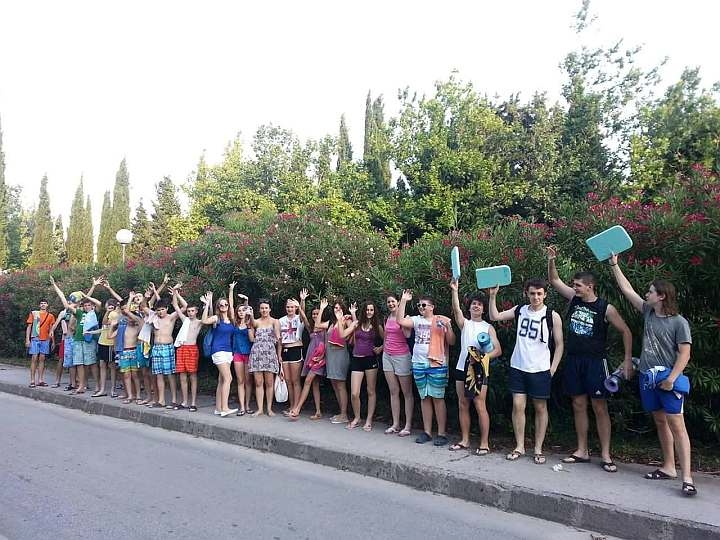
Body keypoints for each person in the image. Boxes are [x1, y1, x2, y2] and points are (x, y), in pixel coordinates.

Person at [609, 254, 696, 496]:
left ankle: (687, 478)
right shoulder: (648, 312)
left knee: (677, 425)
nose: (646, 294)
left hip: (668, 379)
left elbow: (685, 354)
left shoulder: (679, 323)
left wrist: (671, 379)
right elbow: (627, 290)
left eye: (650, 292)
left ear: (661, 296)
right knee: (660, 421)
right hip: (648, 378)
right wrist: (614, 265)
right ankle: (669, 467)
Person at [547, 246, 632, 473]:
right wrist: (551, 259)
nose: (574, 288)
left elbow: (626, 331)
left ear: (589, 286)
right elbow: (554, 280)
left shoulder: (605, 308)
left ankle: (605, 454)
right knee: (578, 404)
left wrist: (627, 360)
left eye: (577, 285)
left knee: (599, 406)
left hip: (596, 362)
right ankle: (582, 450)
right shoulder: (574, 299)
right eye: (574, 285)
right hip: (574, 360)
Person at [488, 279, 564, 465]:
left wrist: (553, 368)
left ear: (545, 294)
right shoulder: (520, 310)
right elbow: (495, 316)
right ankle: (520, 446)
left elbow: (560, 344)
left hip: (540, 369)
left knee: (540, 407)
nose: (536, 297)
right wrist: (492, 296)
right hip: (518, 366)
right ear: (527, 294)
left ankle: (538, 448)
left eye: (539, 293)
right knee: (518, 405)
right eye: (532, 293)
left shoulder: (552, 315)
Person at [396, 290, 456, 446]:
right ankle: (427, 432)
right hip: (418, 363)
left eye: (424, 305)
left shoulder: (441, 320)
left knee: (438, 398)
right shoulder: (416, 320)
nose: (421, 307)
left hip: (436, 363)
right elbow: (400, 321)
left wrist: (448, 327)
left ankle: (441, 433)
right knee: (424, 397)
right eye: (419, 305)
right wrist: (403, 301)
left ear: (432, 307)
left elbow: (451, 342)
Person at [449, 280, 502, 454]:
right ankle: (464, 440)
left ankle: (484, 443)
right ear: (470, 307)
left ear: (484, 309)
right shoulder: (465, 324)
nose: (476, 306)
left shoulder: (488, 328)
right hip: (461, 368)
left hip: (479, 370)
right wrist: (455, 291)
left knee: (480, 405)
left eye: (479, 304)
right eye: (473, 304)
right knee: (463, 404)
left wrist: (482, 358)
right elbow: (456, 310)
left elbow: (498, 350)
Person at [50, 276, 102, 394]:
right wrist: (55, 286)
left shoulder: (95, 313)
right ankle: (81, 386)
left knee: (92, 363)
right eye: (85, 305)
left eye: (89, 305)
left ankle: (98, 385)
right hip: (78, 340)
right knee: (79, 363)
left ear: (92, 306)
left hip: (89, 341)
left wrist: (86, 295)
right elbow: (65, 303)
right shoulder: (79, 313)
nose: (87, 307)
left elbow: (99, 303)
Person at [345, 300, 384, 431]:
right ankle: (357, 417)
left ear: (374, 311)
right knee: (354, 393)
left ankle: (369, 420)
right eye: (367, 309)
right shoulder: (357, 323)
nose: (369, 312)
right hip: (357, 359)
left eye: (371, 310)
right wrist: (351, 314)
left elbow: (387, 339)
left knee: (370, 391)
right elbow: (347, 333)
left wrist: (380, 348)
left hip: (370, 359)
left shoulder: (377, 326)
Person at [289, 293, 327, 420]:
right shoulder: (311, 327)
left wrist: (322, 357)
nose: (315, 316)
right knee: (314, 384)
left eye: (317, 313)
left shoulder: (324, 327)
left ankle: (297, 408)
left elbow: (326, 344)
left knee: (307, 381)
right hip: (311, 358)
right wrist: (301, 303)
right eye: (314, 314)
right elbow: (304, 317)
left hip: (319, 359)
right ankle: (318, 411)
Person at [201, 287, 238, 417]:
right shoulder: (216, 318)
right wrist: (207, 304)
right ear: (218, 307)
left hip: (228, 352)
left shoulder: (231, 319)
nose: (224, 306)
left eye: (225, 304)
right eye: (221, 305)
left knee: (222, 380)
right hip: (218, 351)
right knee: (228, 378)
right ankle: (225, 408)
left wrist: (231, 290)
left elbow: (232, 304)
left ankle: (218, 408)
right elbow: (204, 321)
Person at [314, 299, 351, 424]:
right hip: (330, 355)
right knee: (335, 385)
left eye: (339, 308)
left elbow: (349, 333)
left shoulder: (346, 320)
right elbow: (317, 325)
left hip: (340, 355)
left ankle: (344, 415)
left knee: (340, 384)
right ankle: (341, 412)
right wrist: (322, 308)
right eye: (335, 308)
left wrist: (344, 318)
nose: (337, 310)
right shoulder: (331, 322)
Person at [382, 294, 414, 437]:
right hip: (387, 356)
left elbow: (407, 335)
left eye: (393, 301)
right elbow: (386, 337)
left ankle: (407, 425)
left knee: (407, 393)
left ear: (398, 302)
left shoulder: (406, 318)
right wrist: (383, 350)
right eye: (388, 302)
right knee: (393, 391)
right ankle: (395, 424)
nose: (390, 304)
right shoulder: (387, 318)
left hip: (402, 356)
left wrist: (401, 322)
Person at [143, 289, 181, 409]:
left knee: (170, 374)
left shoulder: (171, 317)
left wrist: (175, 295)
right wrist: (146, 297)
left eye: (163, 309)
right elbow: (143, 307)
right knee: (158, 374)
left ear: (167, 308)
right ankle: (161, 400)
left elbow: (183, 308)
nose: (160, 312)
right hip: (156, 348)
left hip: (167, 347)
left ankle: (174, 400)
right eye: (158, 310)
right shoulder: (153, 317)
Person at [248, 297, 282, 417]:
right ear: (259, 310)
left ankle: (269, 408)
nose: (264, 310)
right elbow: (252, 324)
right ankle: (260, 409)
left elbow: (278, 339)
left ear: (270, 309)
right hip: (257, 354)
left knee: (269, 383)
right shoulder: (256, 322)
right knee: (258, 382)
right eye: (262, 308)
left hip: (270, 354)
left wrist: (279, 355)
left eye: (266, 308)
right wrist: (250, 314)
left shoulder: (275, 321)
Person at [172, 287, 203, 412]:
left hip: (192, 349)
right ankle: (184, 401)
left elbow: (208, 316)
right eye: (189, 311)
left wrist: (208, 303)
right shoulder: (185, 320)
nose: (190, 313)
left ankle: (193, 402)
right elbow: (176, 306)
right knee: (182, 375)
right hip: (182, 348)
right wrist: (175, 293)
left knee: (193, 375)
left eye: (192, 311)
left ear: (196, 311)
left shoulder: (199, 322)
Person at [95, 278, 124, 398]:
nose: (109, 307)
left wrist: (110, 288)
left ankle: (113, 389)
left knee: (112, 366)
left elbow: (120, 300)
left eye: (111, 305)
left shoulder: (117, 314)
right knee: (102, 365)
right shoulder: (107, 313)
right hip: (102, 341)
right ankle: (102, 389)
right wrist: (107, 311)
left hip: (111, 343)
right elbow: (103, 323)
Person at [229, 287, 255, 415]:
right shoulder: (235, 323)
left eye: (243, 310)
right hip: (237, 354)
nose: (241, 312)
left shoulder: (250, 323)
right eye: (238, 311)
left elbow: (252, 338)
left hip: (248, 354)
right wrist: (231, 290)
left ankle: (248, 405)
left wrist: (246, 301)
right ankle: (242, 407)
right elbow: (231, 306)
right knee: (240, 381)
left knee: (248, 381)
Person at [116, 293, 145, 404]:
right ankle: (130, 395)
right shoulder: (123, 326)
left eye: (131, 317)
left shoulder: (138, 326)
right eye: (128, 317)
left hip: (134, 351)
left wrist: (131, 300)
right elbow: (126, 311)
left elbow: (130, 313)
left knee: (135, 375)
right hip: (124, 352)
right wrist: (130, 299)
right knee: (126, 375)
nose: (130, 319)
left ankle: (138, 395)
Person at [278, 296, 305, 416]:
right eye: (288, 307)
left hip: (295, 349)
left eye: (292, 307)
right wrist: (279, 354)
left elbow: (303, 314)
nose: (290, 309)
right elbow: (279, 339)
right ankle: (291, 405)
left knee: (295, 380)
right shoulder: (281, 320)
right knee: (288, 380)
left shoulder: (299, 318)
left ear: (295, 308)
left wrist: (302, 301)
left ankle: (296, 407)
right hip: (285, 350)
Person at [25, 299, 56, 387]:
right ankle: (32, 380)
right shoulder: (34, 313)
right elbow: (29, 327)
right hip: (35, 338)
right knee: (34, 358)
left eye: (44, 303)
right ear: (39, 305)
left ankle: (40, 380)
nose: (43, 305)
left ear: (47, 305)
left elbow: (51, 330)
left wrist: (53, 341)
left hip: (45, 339)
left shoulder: (50, 316)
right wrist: (27, 339)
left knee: (42, 359)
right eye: (41, 303)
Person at [49, 307, 72, 388]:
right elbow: (56, 322)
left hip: (75, 339)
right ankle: (57, 380)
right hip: (65, 339)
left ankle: (73, 382)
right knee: (61, 359)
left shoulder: (79, 310)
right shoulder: (63, 312)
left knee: (75, 361)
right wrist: (52, 330)